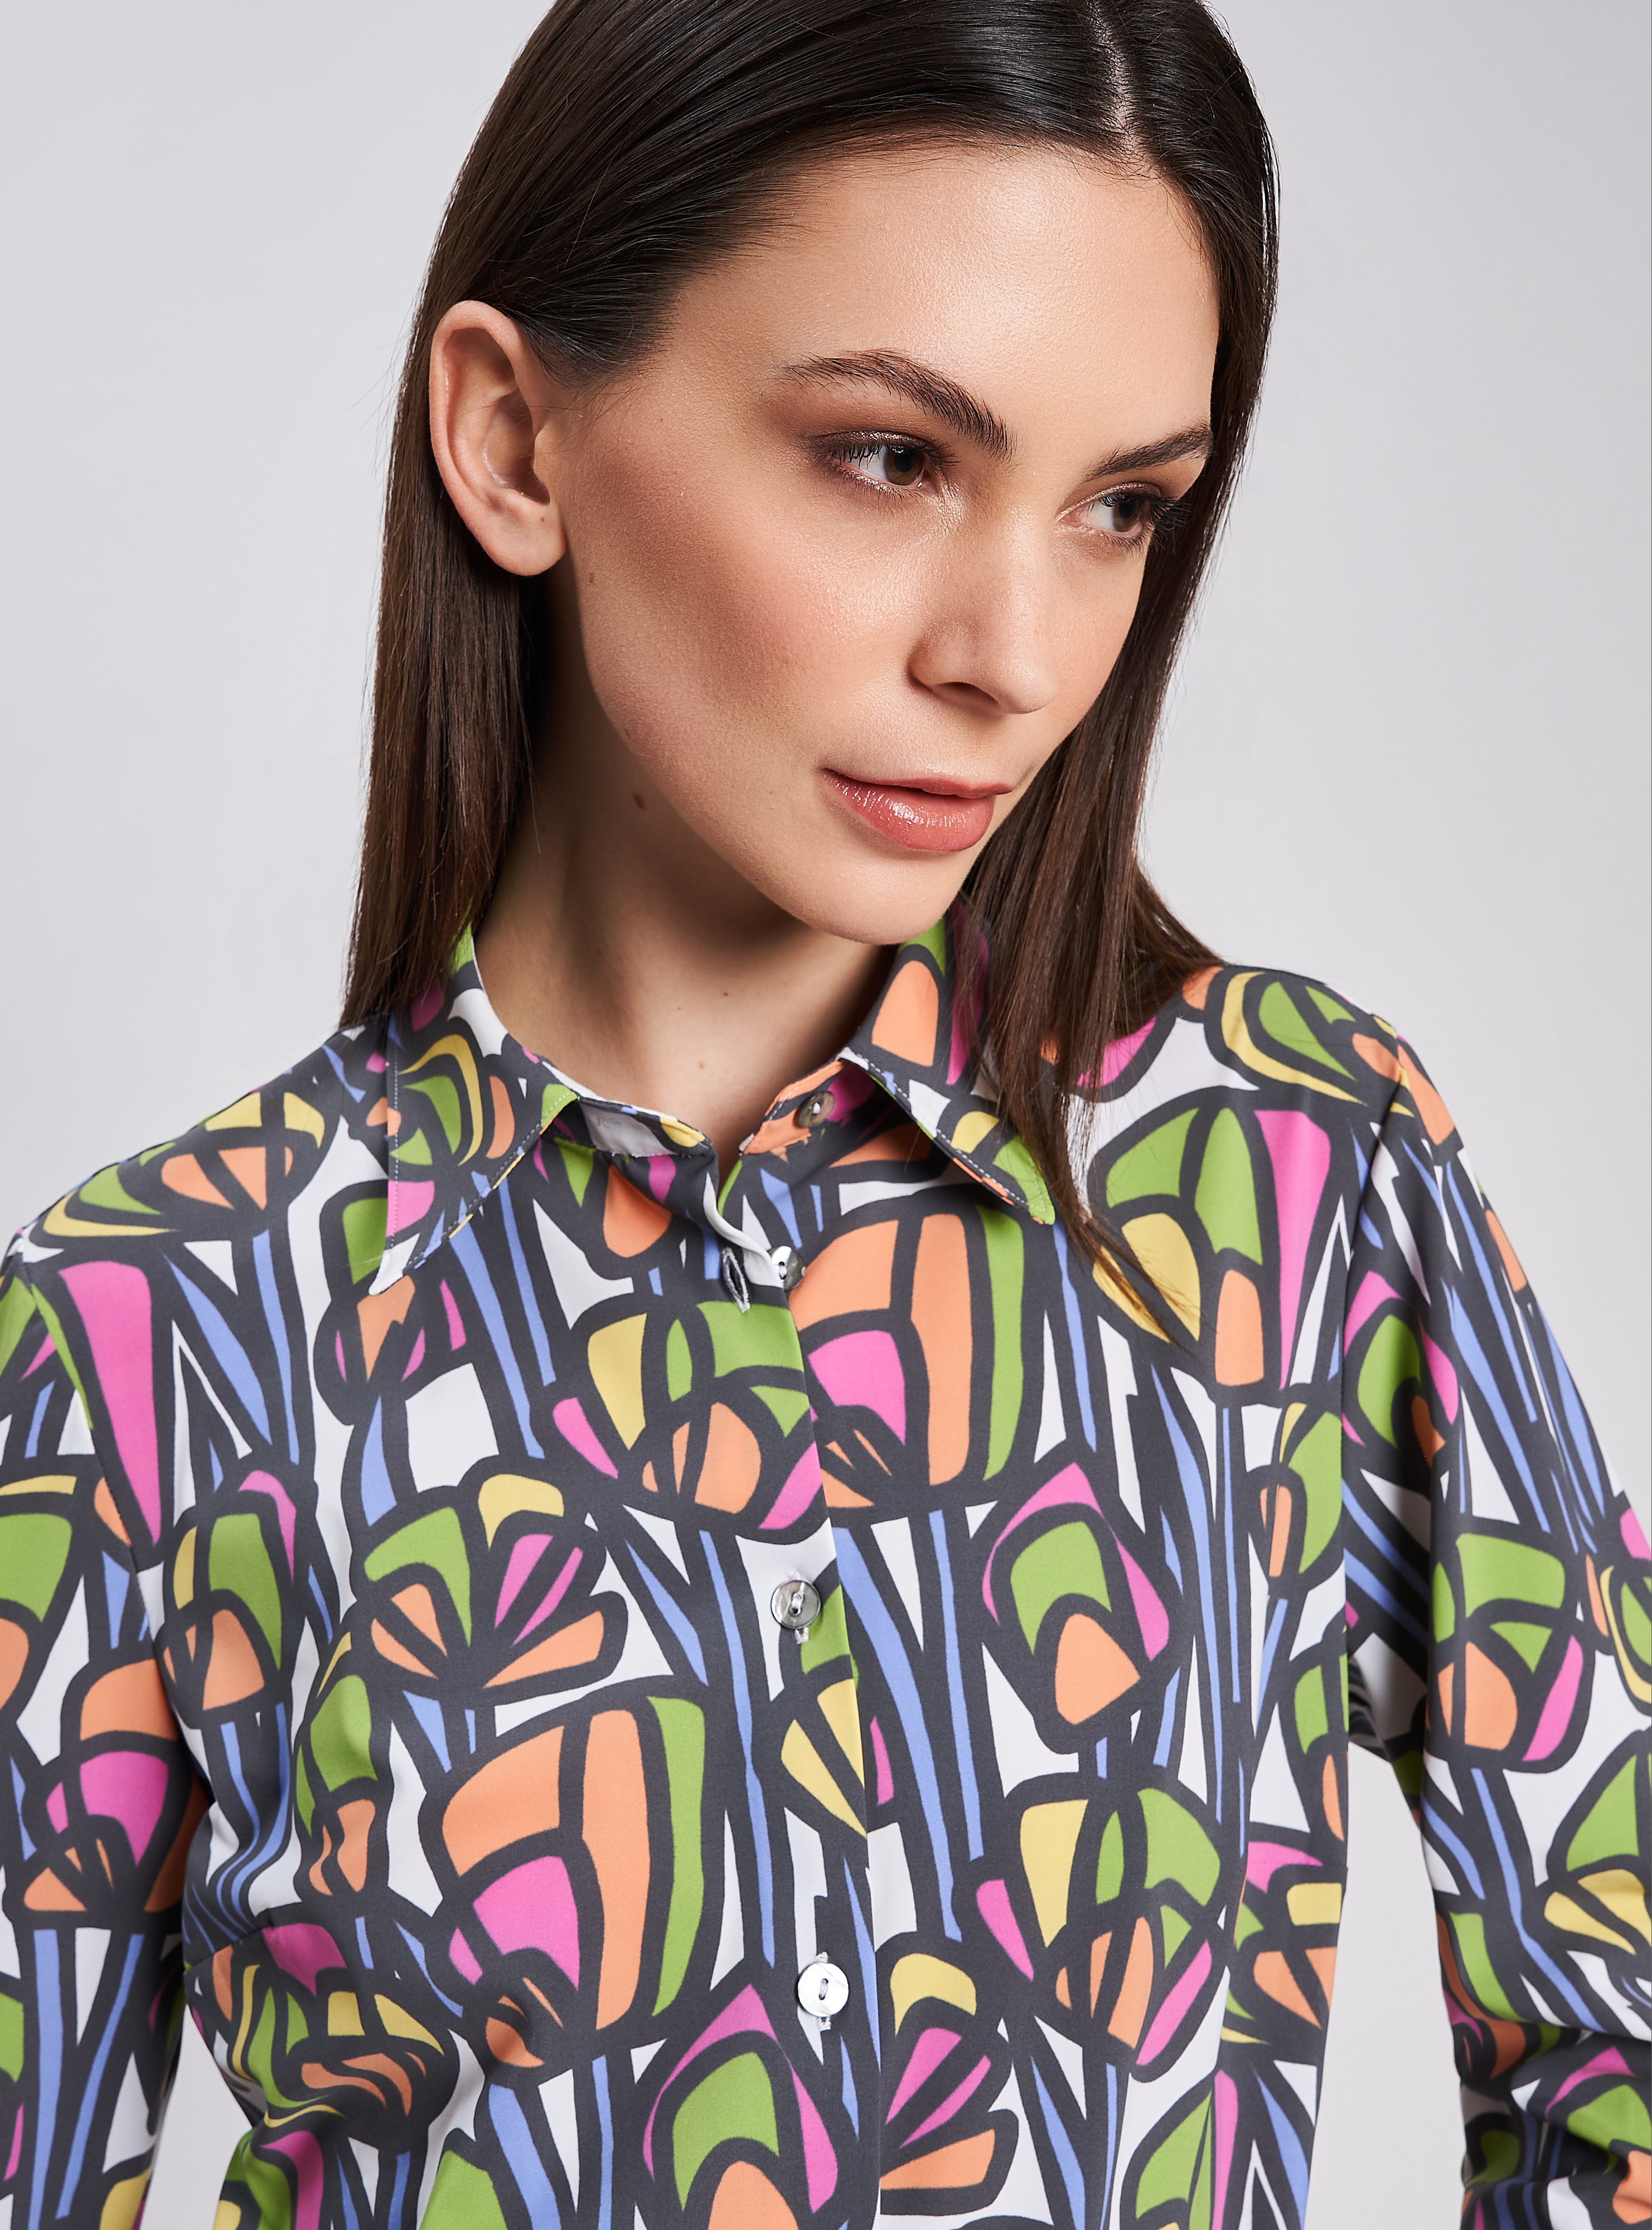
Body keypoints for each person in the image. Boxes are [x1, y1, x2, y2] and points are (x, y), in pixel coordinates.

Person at [1, 1, 1646, 2225]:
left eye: (1121, 508)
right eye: (889, 456)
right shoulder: (151, 1332)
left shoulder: (1290, 1173)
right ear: (513, 438)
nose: (1015, 656)